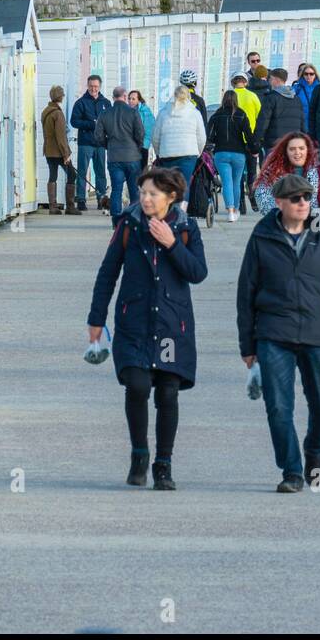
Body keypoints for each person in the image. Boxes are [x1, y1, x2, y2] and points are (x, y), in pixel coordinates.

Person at [237, 173, 320, 493]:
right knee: (278, 406)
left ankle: (313, 451)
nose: (304, 203)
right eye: (296, 198)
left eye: (307, 197)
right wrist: (247, 344)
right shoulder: (262, 235)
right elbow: (246, 292)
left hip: (317, 333)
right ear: (279, 202)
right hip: (273, 332)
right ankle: (291, 471)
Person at [87, 165, 208, 491]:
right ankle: (140, 453)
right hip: (134, 322)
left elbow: (197, 272)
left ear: (171, 196)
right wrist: (96, 318)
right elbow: (108, 271)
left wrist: (172, 245)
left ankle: (163, 465)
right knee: (137, 385)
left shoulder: (185, 228)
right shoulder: (129, 223)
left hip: (172, 325)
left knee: (168, 392)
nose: (145, 198)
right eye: (142, 193)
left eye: (152, 193)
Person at [150, 84, 209, 209]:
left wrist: (159, 152)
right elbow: (201, 137)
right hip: (188, 154)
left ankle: (169, 211)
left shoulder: (164, 112)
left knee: (169, 185)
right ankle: (180, 214)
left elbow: (155, 136)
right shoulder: (194, 113)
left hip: (167, 155)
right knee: (184, 185)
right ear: (188, 96)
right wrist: (198, 152)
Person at [95, 86, 147, 221]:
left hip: (114, 158)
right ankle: (134, 218)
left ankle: (116, 220)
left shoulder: (104, 114)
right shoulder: (133, 113)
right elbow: (140, 133)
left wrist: (108, 146)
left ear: (113, 97)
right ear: (124, 97)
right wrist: (137, 147)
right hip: (132, 157)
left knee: (116, 190)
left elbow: (98, 136)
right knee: (133, 190)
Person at [207, 90, 256, 222]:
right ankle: (236, 210)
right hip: (239, 153)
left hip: (221, 153)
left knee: (226, 182)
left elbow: (209, 136)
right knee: (236, 182)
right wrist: (254, 149)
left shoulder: (216, 115)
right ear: (235, 100)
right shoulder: (241, 114)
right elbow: (249, 135)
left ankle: (230, 211)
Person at [69, 75, 111, 213]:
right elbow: (74, 121)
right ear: (87, 86)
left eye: (96, 86)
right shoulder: (80, 103)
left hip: (100, 144)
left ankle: (101, 199)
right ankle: (81, 199)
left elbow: (110, 122)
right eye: (91, 86)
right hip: (85, 143)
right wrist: (91, 124)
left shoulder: (106, 103)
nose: (94, 89)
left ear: (100, 86)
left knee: (100, 173)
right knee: (82, 172)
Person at [253, 132, 319, 214]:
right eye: (292, 149)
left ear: (307, 150)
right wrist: (283, 215)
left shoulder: (316, 172)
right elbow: (262, 196)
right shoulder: (273, 171)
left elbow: (318, 204)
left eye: (301, 148)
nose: (297, 152)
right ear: (286, 151)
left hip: (311, 222)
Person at [41, 86, 76, 215]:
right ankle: (70, 207)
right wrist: (66, 154)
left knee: (53, 175)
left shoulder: (45, 111)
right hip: (58, 152)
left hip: (48, 150)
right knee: (72, 174)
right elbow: (61, 136)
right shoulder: (58, 113)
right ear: (60, 97)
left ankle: (52, 206)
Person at [250, 68, 301, 155]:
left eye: (271, 78)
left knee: (272, 168)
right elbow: (302, 122)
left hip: (274, 143)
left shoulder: (271, 98)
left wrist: (255, 143)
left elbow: (263, 122)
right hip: (292, 142)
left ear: (276, 80)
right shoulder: (296, 99)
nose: (269, 81)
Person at [291, 64, 319, 131]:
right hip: (300, 124)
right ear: (302, 75)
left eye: (311, 74)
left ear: (315, 75)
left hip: (316, 125)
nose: (308, 76)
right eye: (306, 74)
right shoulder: (296, 88)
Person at [128, 90, 155, 155]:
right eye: (129, 98)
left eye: (133, 99)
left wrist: (144, 146)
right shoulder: (126, 111)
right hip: (129, 147)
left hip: (142, 147)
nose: (130, 101)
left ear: (139, 100)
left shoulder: (145, 111)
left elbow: (149, 130)